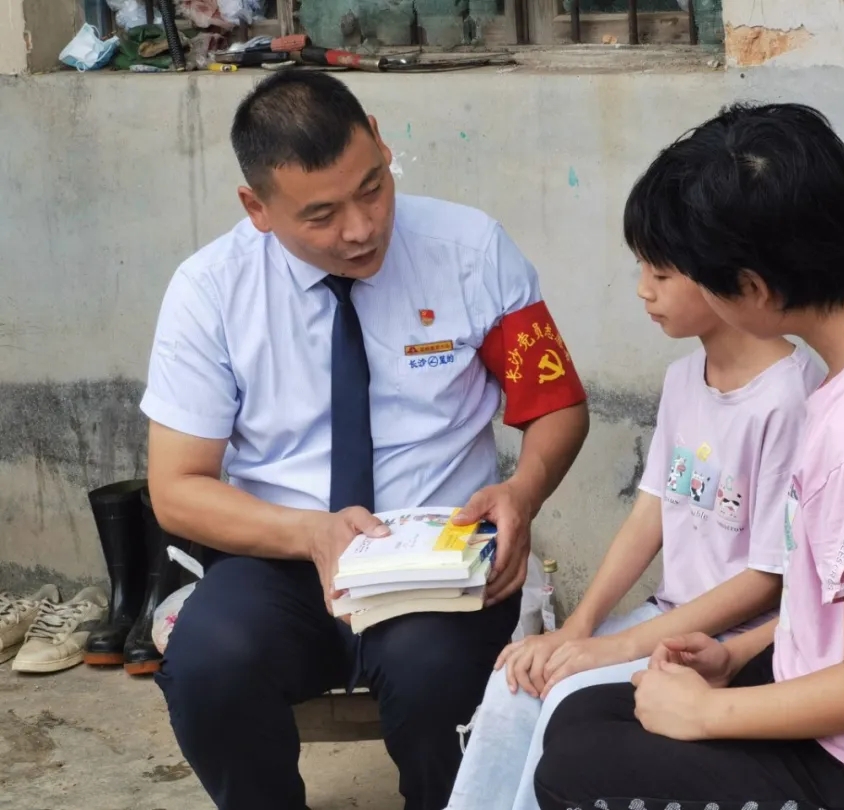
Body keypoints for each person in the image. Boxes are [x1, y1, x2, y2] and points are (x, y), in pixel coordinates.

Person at [531, 102, 844, 810]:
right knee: (583, 717)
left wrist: (706, 712)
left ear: (754, 290)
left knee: (573, 767)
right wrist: (737, 652)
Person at [140, 69, 589, 810]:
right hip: (283, 557)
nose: (361, 228)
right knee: (209, 663)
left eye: (373, 188)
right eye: (320, 215)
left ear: (379, 141)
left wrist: (523, 490)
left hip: (440, 557)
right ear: (257, 208)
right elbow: (177, 489)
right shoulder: (211, 291)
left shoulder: (469, 250)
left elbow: (557, 406)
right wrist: (311, 535)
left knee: (433, 676)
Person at [446, 211, 824, 810]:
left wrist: (613, 648)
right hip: (665, 616)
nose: (644, 290)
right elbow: (649, 514)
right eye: (641, 269)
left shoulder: (789, 395)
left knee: (565, 697)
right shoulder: (683, 379)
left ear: (728, 274)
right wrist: (577, 628)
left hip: (736, 644)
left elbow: (768, 579)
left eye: (663, 274)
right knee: (516, 680)